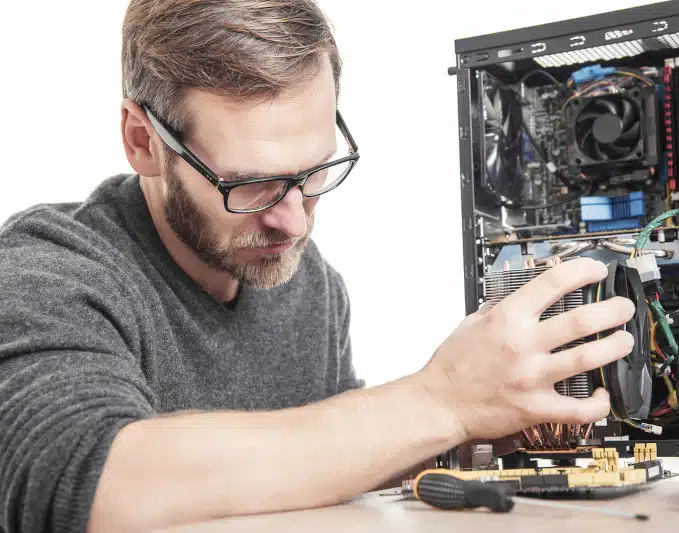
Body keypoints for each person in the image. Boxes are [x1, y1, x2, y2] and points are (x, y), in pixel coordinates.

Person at [0, 1, 636, 532]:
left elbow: (324, 458)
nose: (295, 222)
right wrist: (442, 400)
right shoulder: (48, 271)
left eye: (312, 174)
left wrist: (479, 431)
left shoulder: (310, 285)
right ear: (143, 141)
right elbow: (87, 482)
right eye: (250, 186)